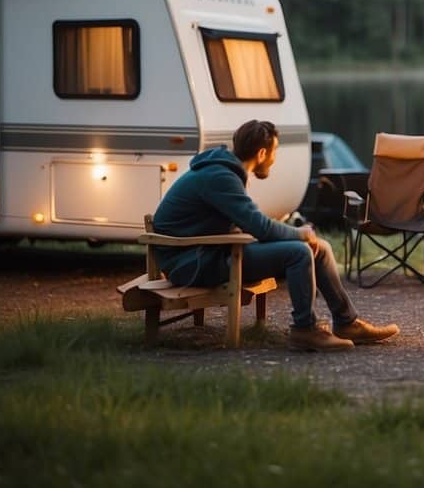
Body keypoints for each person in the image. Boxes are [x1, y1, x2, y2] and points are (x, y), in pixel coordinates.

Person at [151, 119, 399, 352]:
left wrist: (296, 235)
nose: (273, 159)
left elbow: (248, 225)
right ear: (261, 153)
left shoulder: (224, 172)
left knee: (320, 248)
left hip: (208, 252)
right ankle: (305, 329)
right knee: (299, 252)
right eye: (274, 153)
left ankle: (347, 323)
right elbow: (260, 227)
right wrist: (299, 233)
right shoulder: (220, 178)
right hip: (191, 263)